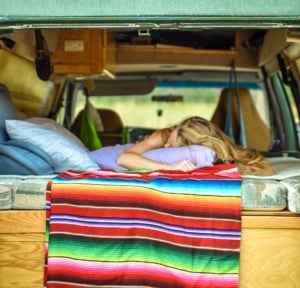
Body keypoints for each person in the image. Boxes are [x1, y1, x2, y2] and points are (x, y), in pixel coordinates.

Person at [117, 116, 275, 176]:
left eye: (171, 145)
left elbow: (268, 170)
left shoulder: (208, 154)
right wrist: (169, 168)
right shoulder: (163, 135)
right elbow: (124, 159)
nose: (165, 146)